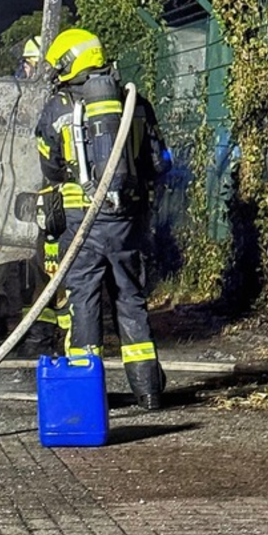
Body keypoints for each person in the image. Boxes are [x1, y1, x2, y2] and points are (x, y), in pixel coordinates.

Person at [33, 28, 169, 410]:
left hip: (82, 225)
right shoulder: (134, 102)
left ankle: (86, 394)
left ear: (67, 62)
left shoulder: (58, 107)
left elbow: (50, 167)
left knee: (83, 301)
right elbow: (159, 162)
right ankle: (148, 392)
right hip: (127, 223)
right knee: (131, 299)